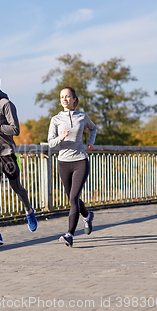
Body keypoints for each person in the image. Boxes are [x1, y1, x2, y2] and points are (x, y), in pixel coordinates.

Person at [0, 74, 37, 246]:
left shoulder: (6, 104)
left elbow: (15, 130)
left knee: (17, 187)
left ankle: (29, 210)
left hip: (7, 154)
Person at [48, 86, 97, 247]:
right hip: (63, 163)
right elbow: (50, 143)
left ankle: (70, 234)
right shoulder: (55, 119)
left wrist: (90, 142)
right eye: (62, 96)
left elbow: (93, 128)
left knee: (74, 198)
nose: (64, 99)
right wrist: (60, 138)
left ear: (74, 99)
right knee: (72, 198)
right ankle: (87, 215)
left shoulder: (82, 116)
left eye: (68, 96)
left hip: (80, 161)